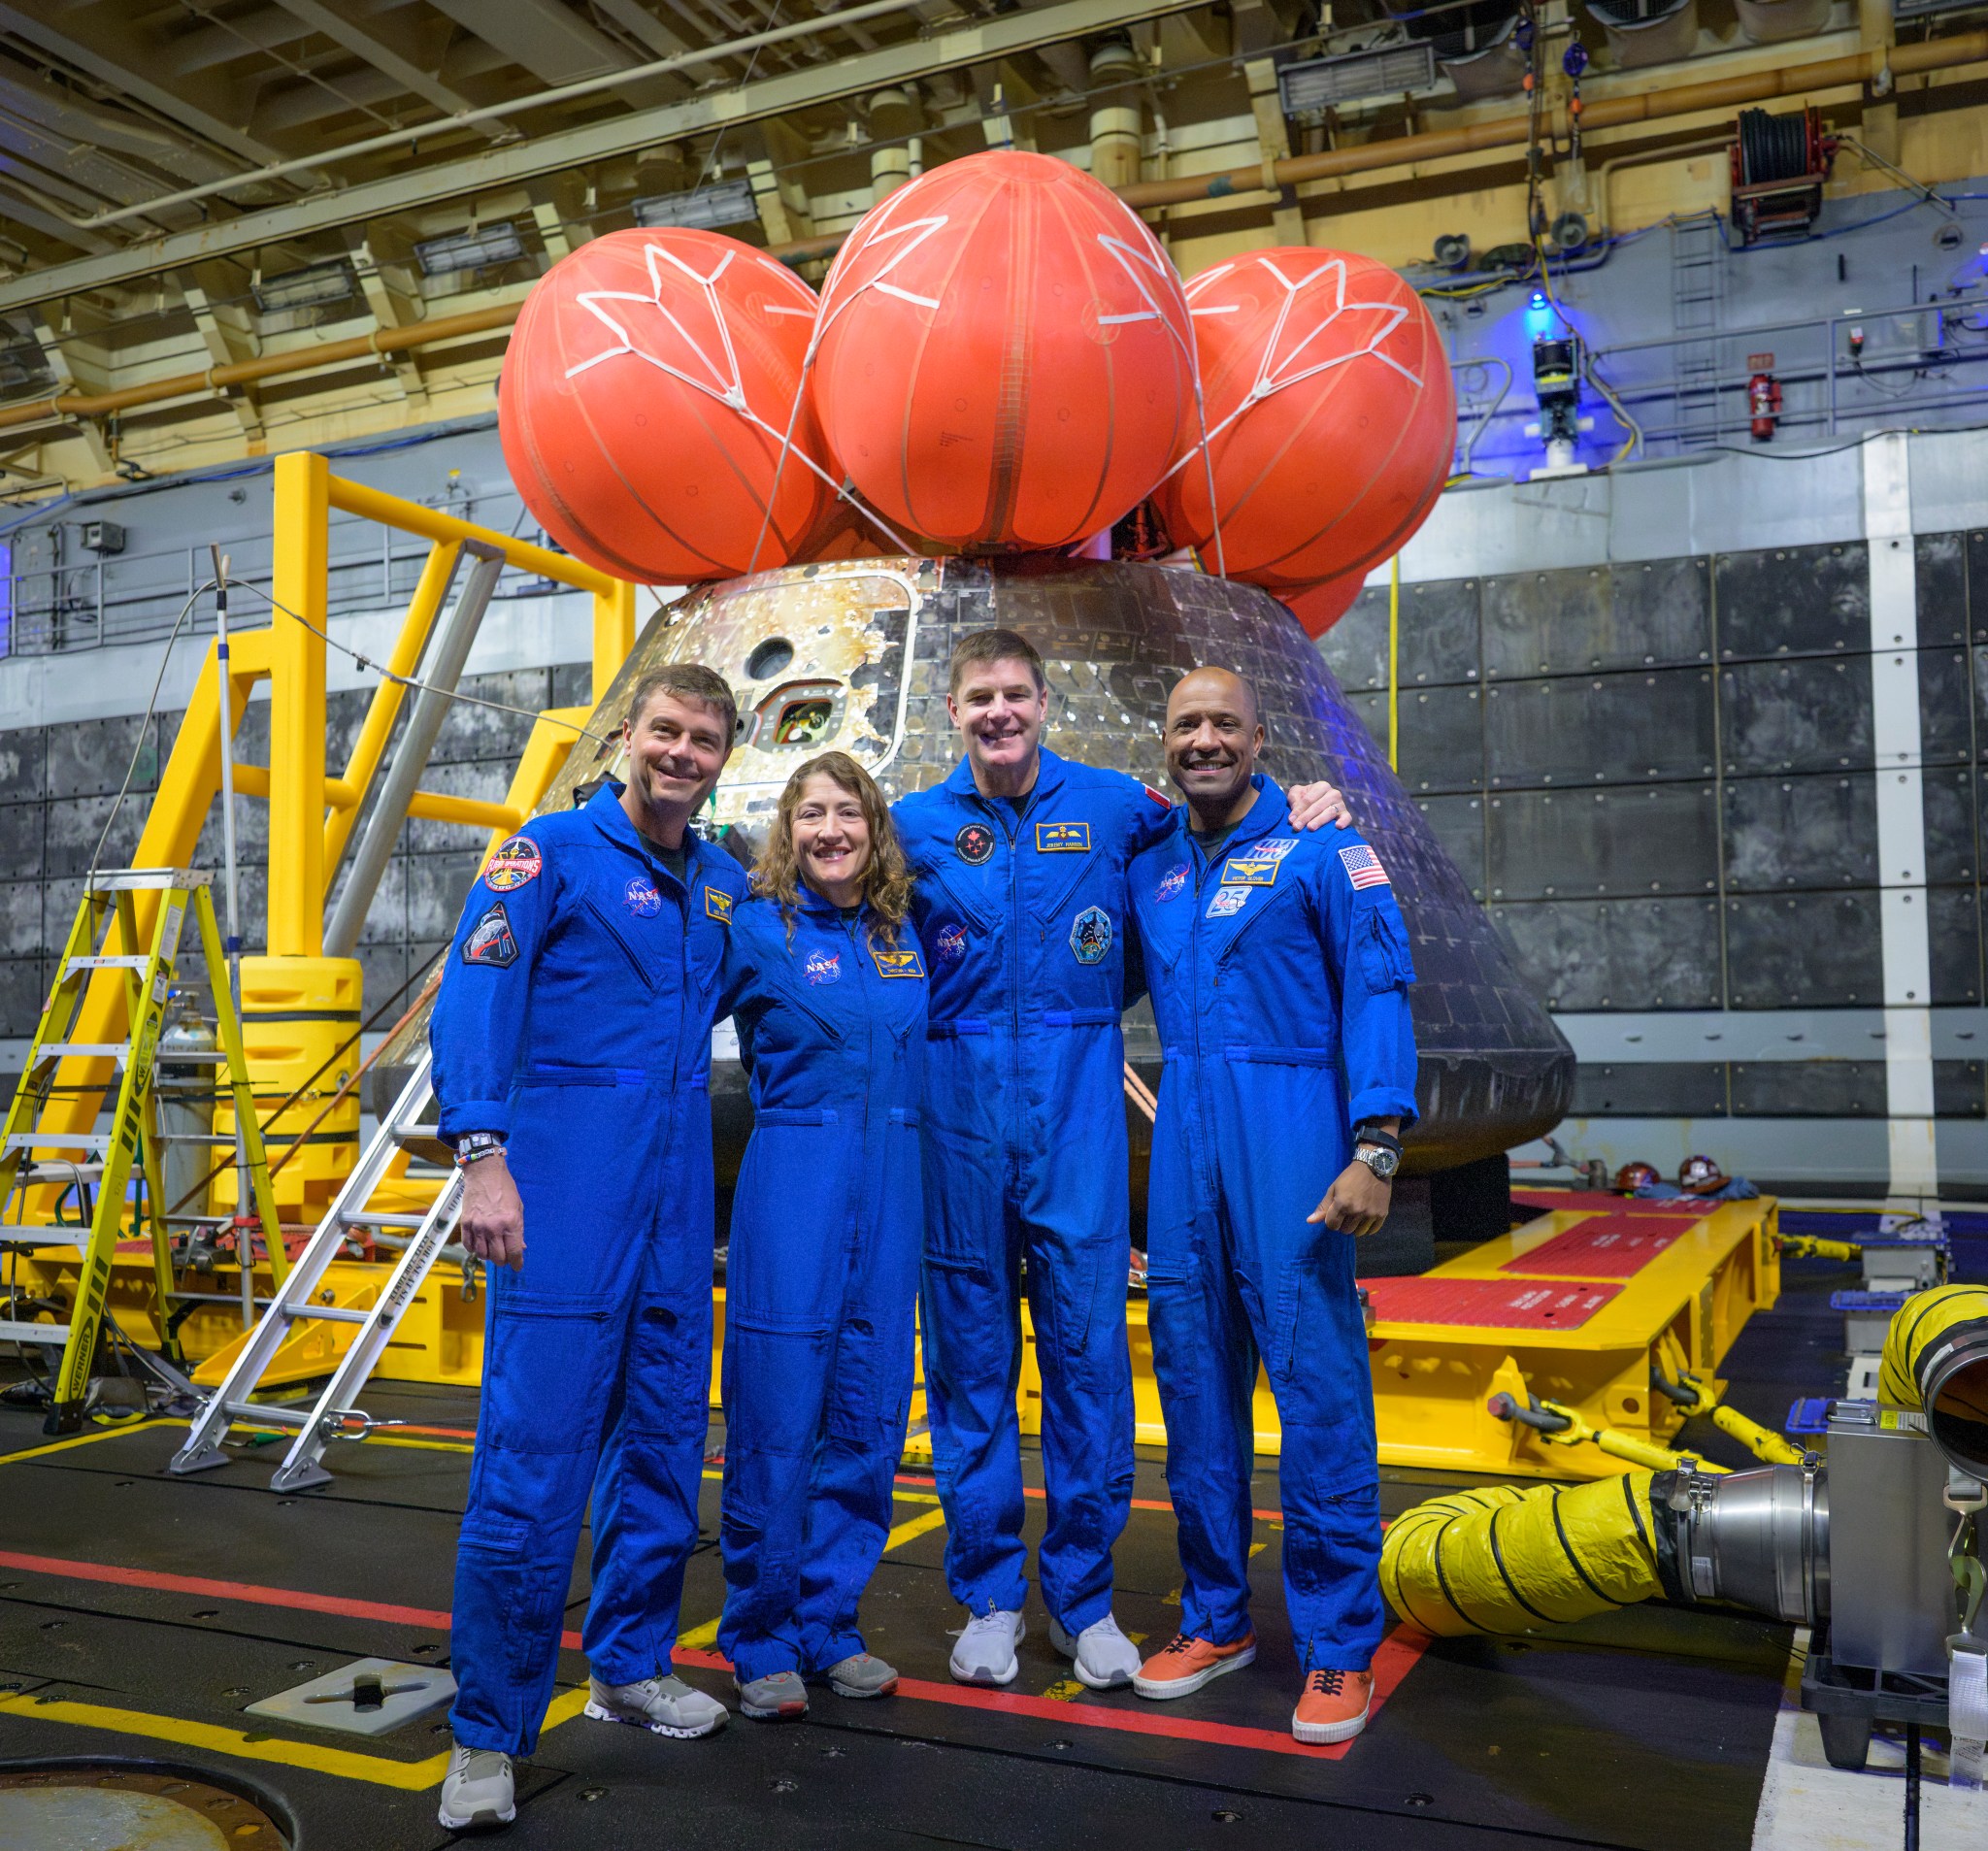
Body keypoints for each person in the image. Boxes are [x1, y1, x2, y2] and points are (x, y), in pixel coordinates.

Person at [890, 629, 1350, 1691]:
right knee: (968, 1368)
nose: (998, 712)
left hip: (1078, 1110)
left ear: (1043, 702)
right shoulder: (908, 828)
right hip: (954, 1111)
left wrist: (1310, 796)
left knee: (1088, 1363)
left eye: (1015, 693)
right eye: (978, 698)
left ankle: (1084, 1599)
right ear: (951, 712)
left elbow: (1223, 815)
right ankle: (991, 1596)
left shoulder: (1114, 808)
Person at [430, 665, 749, 1834]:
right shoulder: (544, 851)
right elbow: (473, 999)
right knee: (533, 1460)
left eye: (703, 739)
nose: (680, 752)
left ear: (723, 756)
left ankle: (628, 1662)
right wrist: (482, 1152)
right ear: (628, 735)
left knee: (664, 1437)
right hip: (560, 1178)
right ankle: (485, 1730)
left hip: (671, 1193)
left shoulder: (721, 881)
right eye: (664, 730)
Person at [1125, 665, 1418, 1747]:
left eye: (1222, 723)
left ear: (1258, 738)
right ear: (1165, 742)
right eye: (1183, 724)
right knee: (1194, 1392)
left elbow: (1379, 984)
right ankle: (1215, 1619)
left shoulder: (1324, 847)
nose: (1202, 739)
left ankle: (1339, 1648)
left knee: (1316, 1389)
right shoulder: (1148, 864)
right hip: (1187, 1137)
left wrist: (1375, 1143)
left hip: (1293, 1132)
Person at [712, 751, 925, 1721]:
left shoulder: (901, 929)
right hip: (794, 1175)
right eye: (809, 813)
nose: (829, 829)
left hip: (893, 1179)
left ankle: (830, 1620)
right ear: (784, 831)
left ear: (874, 825)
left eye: (847, 811)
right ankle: (758, 1632)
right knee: (776, 1407)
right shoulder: (754, 929)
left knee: (870, 1404)